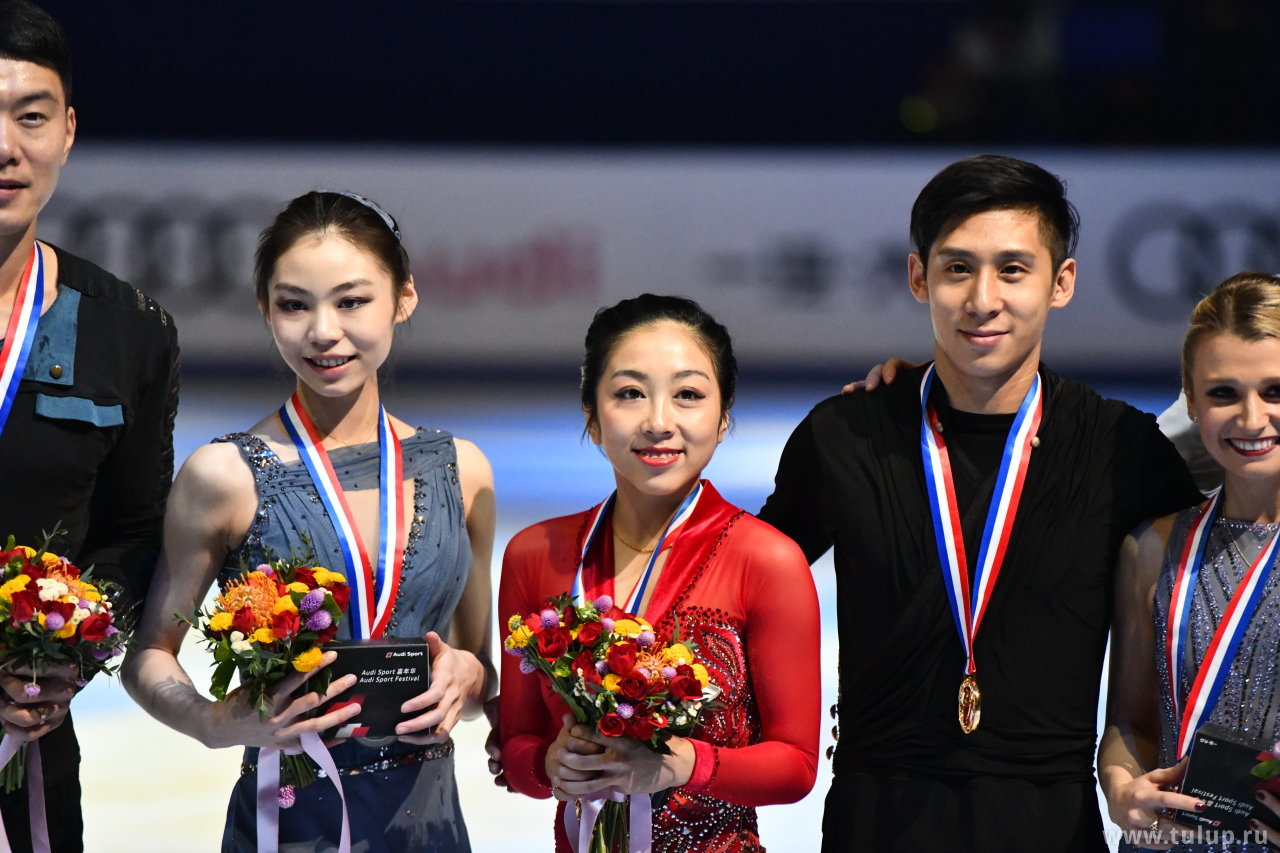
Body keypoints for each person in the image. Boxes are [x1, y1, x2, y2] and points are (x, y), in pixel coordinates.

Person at [757, 154, 1204, 852]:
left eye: (1013, 269)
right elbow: (738, 584)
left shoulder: (1121, 448)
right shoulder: (846, 436)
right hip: (877, 820)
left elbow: (1225, 582)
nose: (982, 298)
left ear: (1061, 282)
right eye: (958, 268)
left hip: (1049, 826)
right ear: (918, 277)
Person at [121, 191, 494, 852]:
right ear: (265, 309)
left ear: (404, 298)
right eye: (294, 304)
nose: (323, 331)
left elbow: (476, 670)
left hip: (428, 825)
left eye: (351, 301)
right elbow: (150, 653)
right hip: (286, 823)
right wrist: (214, 720)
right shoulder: (223, 475)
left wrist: (470, 675)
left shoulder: (461, 470)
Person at [498, 294, 820, 852]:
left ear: (723, 419)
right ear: (592, 419)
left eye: (688, 395)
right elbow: (516, 747)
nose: (658, 422)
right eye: (630, 393)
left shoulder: (767, 560)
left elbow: (796, 767)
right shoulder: (534, 554)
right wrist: (549, 764)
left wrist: (681, 764)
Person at [0, 2, 179, 850]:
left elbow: (134, 534)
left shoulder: (129, 330)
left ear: (68, 131)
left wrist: (62, 649)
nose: (6, 147)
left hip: (28, 749)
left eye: (31, 117)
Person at [1100, 272, 1280, 852]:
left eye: (1275, 391)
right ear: (1191, 398)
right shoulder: (1151, 548)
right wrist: (1123, 791)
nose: (1251, 418)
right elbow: (1130, 723)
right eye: (1224, 393)